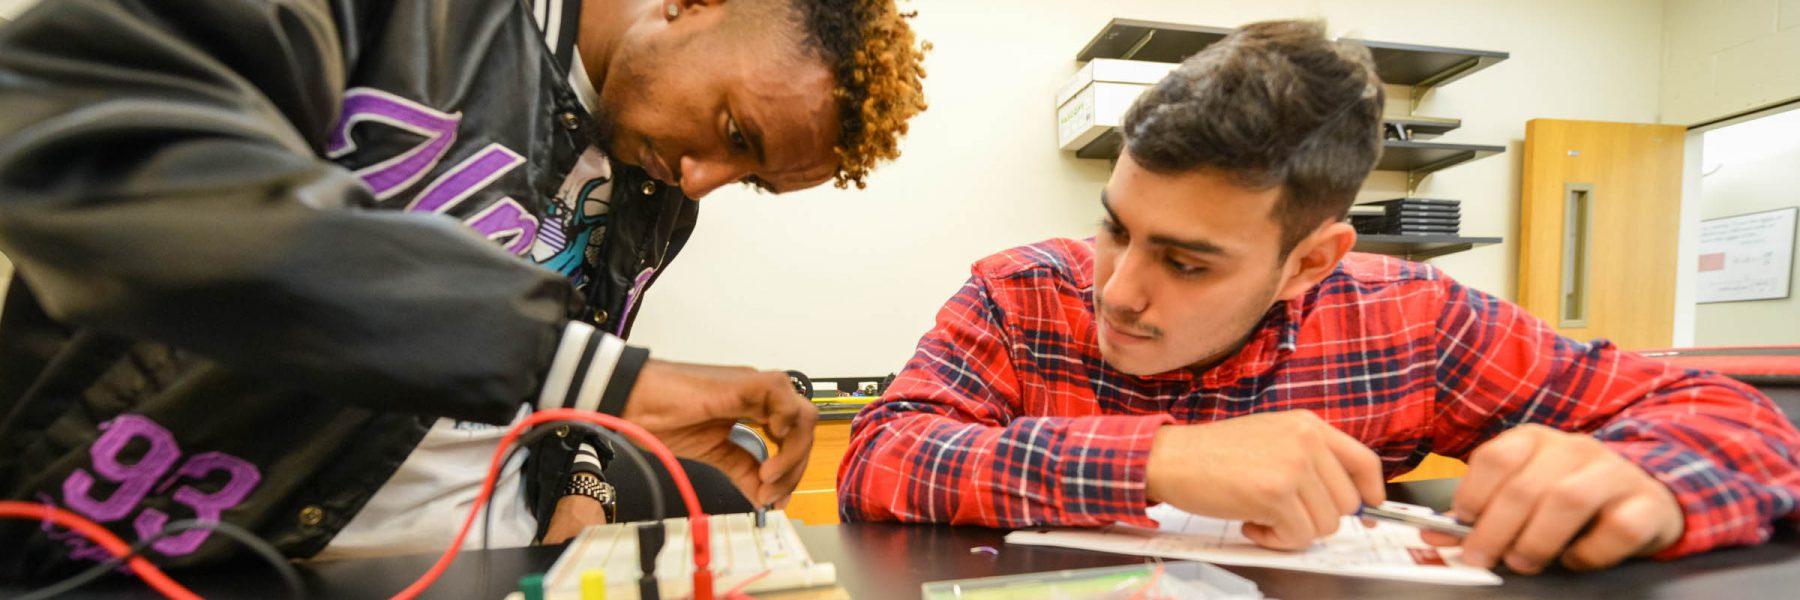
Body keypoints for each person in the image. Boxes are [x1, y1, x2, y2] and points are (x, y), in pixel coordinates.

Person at [838, 19, 1800, 575]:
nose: (1118, 292)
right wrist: (1162, 459)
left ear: (1311, 260)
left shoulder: (1416, 320)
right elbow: (882, 454)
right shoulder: (1023, 291)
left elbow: (1738, 420)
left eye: (1188, 261)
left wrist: (1656, 484)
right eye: (1116, 227)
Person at [0, 0, 927, 576]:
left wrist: (584, 484)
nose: (702, 183)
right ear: (694, 2)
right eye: (736, 130)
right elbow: (74, 123)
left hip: (486, 556)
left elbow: (566, 379)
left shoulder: (656, 200)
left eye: (748, 177)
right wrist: (601, 376)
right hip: (199, 530)